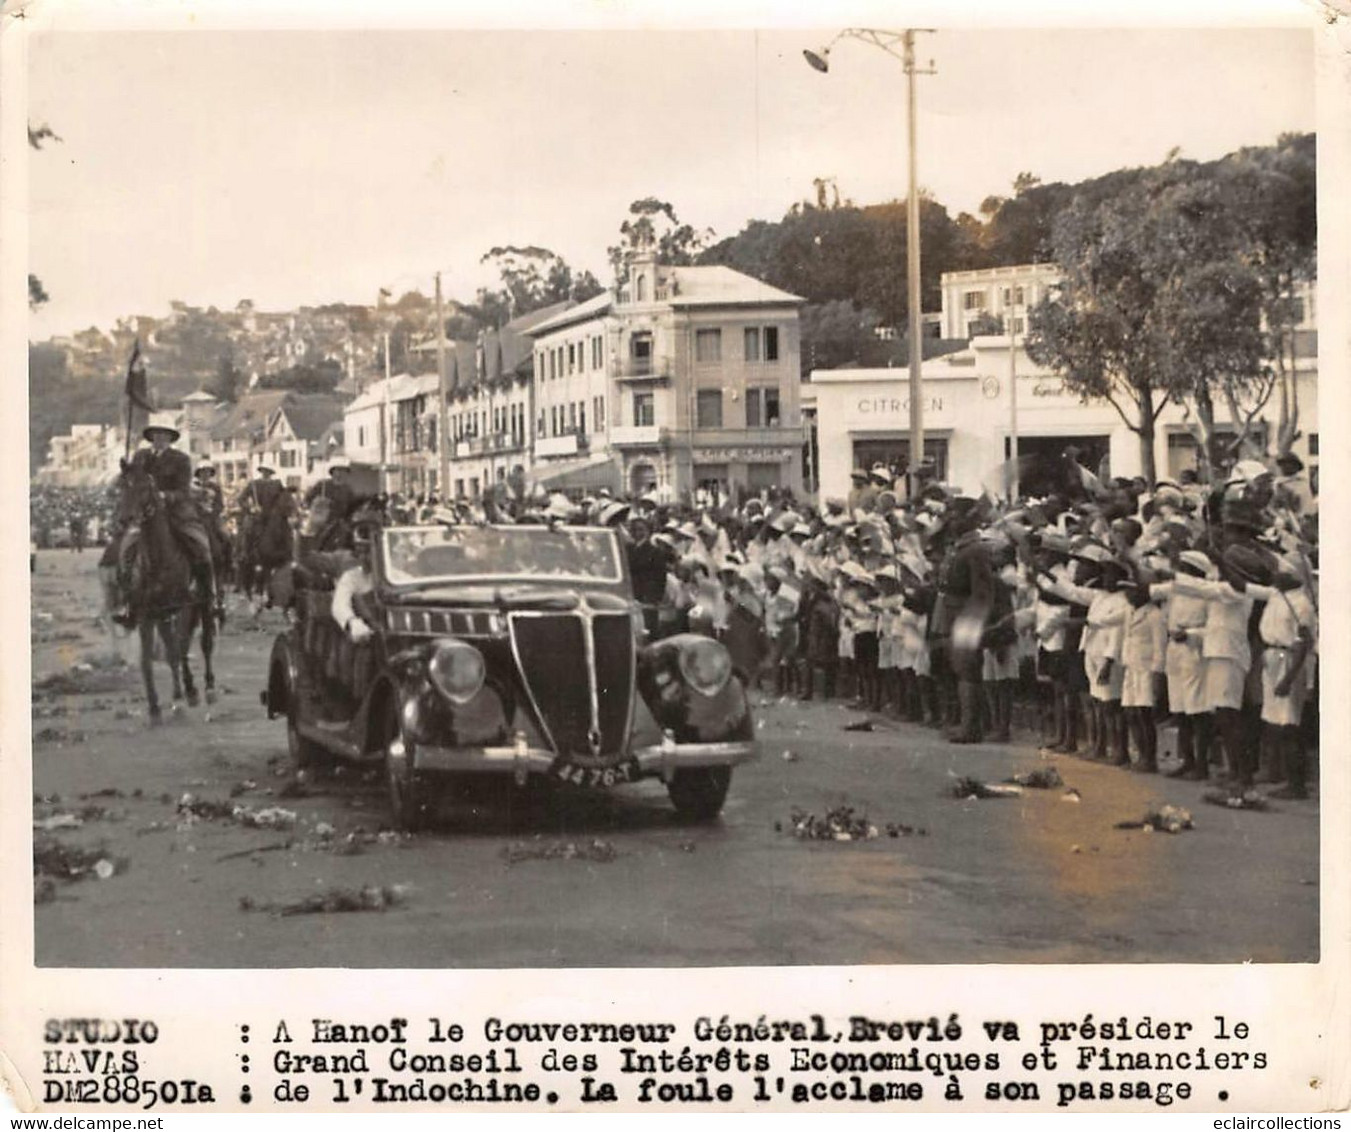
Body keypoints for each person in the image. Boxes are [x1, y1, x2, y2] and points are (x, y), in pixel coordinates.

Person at [115, 421, 221, 622]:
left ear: (171, 438)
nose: (160, 439)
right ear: (151, 437)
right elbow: (131, 483)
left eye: (164, 435)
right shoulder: (140, 457)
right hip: (146, 514)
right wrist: (125, 472)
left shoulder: (181, 459)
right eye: (156, 435)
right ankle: (127, 602)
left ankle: (210, 596)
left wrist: (165, 496)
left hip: (176, 512)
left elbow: (183, 490)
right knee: (125, 550)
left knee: (202, 546)